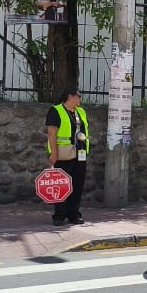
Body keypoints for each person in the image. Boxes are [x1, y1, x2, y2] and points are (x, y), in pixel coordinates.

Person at [45, 86, 89, 226]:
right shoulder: (56, 110)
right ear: (70, 96)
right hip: (63, 154)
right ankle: (59, 215)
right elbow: (51, 133)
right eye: (79, 95)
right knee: (61, 185)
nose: (80, 98)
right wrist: (54, 154)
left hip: (80, 153)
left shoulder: (80, 111)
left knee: (77, 185)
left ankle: (73, 214)